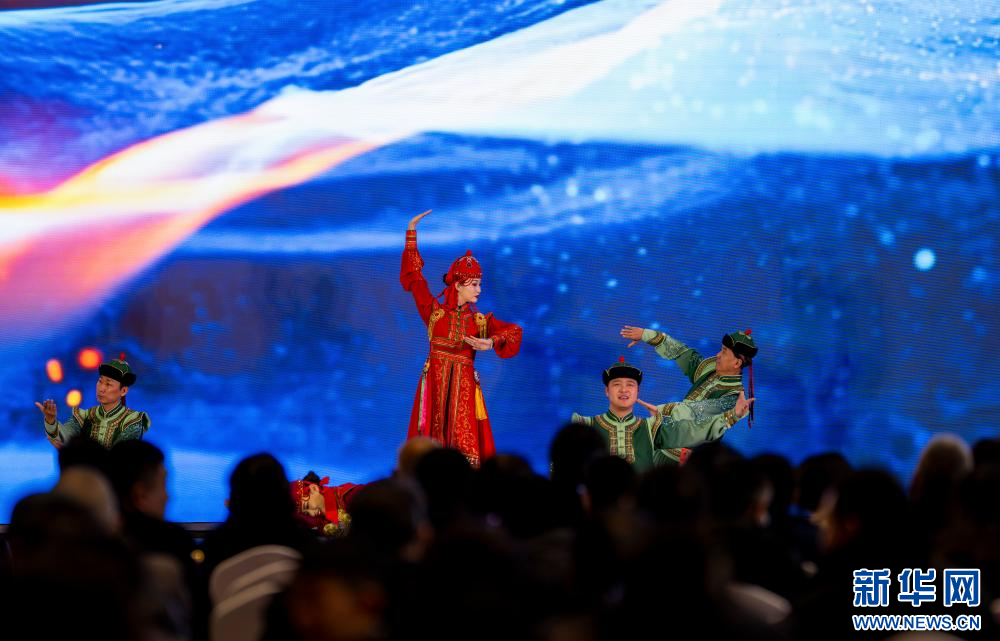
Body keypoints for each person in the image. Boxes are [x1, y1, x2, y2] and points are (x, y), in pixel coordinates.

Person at [401, 210, 522, 468]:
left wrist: (491, 342)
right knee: (431, 449)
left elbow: (513, 332)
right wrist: (411, 233)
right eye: (474, 284)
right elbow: (415, 278)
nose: (479, 289)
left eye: (480, 284)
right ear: (458, 284)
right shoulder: (434, 312)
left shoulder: (479, 321)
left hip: (464, 392)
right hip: (435, 387)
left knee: (465, 447)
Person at [570, 357, 752, 472]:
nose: (624, 390)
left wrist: (732, 416)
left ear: (637, 391)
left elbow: (692, 430)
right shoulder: (587, 426)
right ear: (606, 391)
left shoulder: (650, 428)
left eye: (630, 385)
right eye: (617, 384)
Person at [620, 325, 758, 461]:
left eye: (724, 352)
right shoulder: (709, 371)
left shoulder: (733, 397)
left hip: (685, 461)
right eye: (721, 350)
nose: (718, 355)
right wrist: (647, 335)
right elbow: (682, 353)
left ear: (737, 363)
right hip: (662, 447)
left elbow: (695, 411)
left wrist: (662, 410)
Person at [35, 357, 150, 449]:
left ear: (123, 390)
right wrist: (51, 420)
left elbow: (120, 456)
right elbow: (65, 438)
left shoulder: (133, 420)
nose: (101, 388)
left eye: (108, 384)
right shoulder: (85, 416)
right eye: (100, 381)